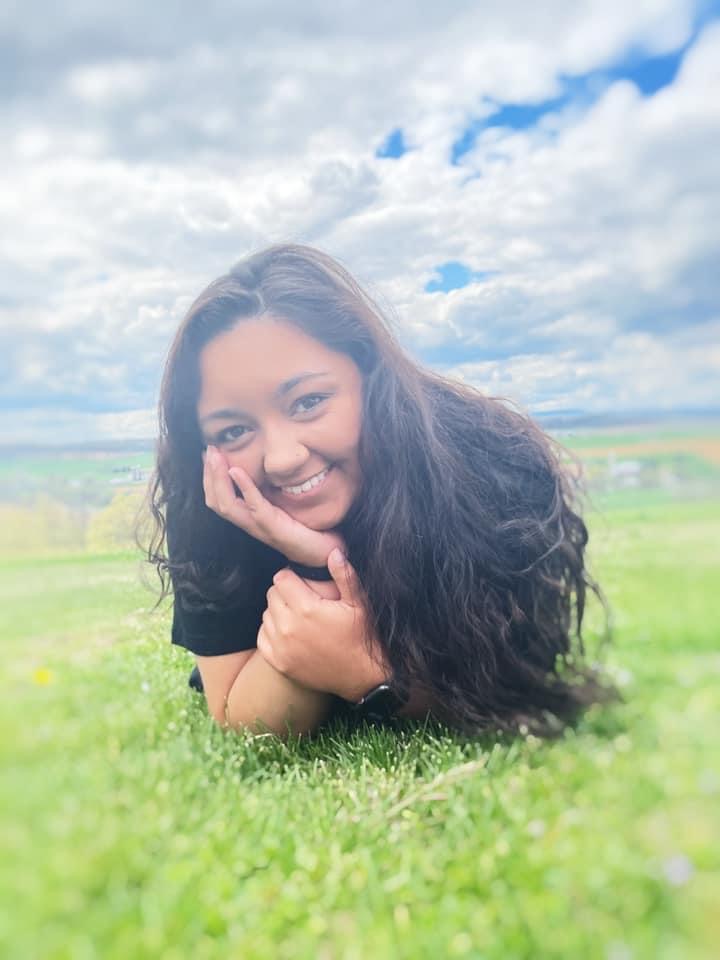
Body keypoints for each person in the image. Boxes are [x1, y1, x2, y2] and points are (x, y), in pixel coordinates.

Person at [145, 243, 616, 739]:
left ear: (369, 376)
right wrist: (316, 566)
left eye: (308, 401)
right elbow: (243, 722)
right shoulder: (209, 497)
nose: (281, 458)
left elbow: (522, 688)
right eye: (234, 431)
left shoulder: (494, 463)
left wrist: (366, 674)